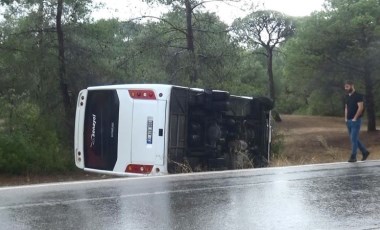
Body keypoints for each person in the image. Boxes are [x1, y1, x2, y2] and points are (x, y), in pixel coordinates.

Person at [344, 80, 370, 162]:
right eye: (345, 87)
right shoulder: (347, 96)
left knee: (353, 139)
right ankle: (365, 152)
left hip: (356, 121)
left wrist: (355, 118)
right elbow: (346, 108)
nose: (346, 88)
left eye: (347, 86)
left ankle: (353, 156)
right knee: (354, 139)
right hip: (348, 121)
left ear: (352, 85)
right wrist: (345, 118)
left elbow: (360, 108)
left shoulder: (358, 96)